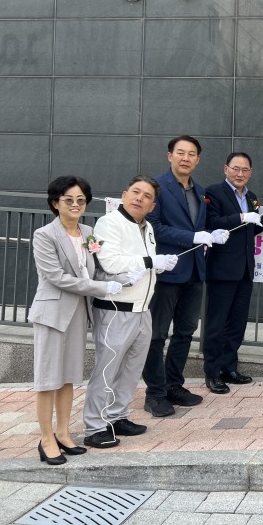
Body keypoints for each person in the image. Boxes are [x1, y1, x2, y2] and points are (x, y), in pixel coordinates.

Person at [29, 176, 124, 465]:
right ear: (55, 203)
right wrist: (101, 287)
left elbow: (95, 270)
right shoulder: (44, 235)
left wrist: (123, 278)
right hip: (52, 314)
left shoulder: (89, 232)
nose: (75, 204)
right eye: (68, 200)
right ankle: (46, 439)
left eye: (81, 200)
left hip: (79, 313)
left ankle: (63, 432)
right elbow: (57, 277)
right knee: (48, 379)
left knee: (69, 376)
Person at [82, 176, 178, 448]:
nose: (140, 198)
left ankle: (117, 416)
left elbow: (142, 265)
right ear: (124, 195)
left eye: (147, 196)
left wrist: (158, 266)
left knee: (131, 370)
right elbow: (110, 262)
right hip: (116, 309)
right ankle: (94, 426)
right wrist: (150, 261)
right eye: (136, 192)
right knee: (107, 370)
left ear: (152, 205)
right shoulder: (110, 222)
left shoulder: (147, 227)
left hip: (142, 309)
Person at [142, 136, 229, 417]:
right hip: (167, 270)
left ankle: (174, 385)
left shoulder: (199, 191)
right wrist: (192, 237)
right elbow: (153, 226)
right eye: (180, 152)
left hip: (194, 271)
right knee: (157, 334)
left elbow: (199, 227)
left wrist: (213, 233)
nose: (186, 158)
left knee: (185, 332)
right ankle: (154, 393)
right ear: (169, 155)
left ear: (198, 160)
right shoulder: (156, 188)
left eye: (192, 154)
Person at [203, 152, 263, 394]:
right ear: (225, 169)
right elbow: (211, 223)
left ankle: (229, 368)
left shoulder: (252, 197)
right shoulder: (213, 192)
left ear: (250, 172)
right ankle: (212, 373)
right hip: (222, 269)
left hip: (246, 269)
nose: (240, 174)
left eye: (245, 170)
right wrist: (241, 216)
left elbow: (250, 229)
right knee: (216, 324)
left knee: (236, 324)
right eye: (235, 168)